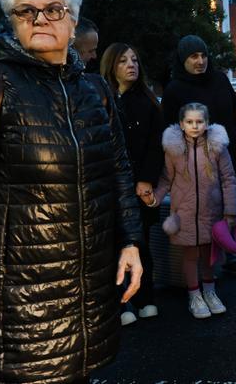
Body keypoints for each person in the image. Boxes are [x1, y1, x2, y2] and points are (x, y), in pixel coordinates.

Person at [0, 0, 143, 382]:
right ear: (11, 20)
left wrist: (131, 241)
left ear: (73, 20)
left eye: (53, 9)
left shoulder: (94, 90)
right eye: (26, 11)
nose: (40, 18)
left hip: (85, 298)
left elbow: (117, 171)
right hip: (15, 305)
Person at [162, 34, 236, 278]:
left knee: (228, 206)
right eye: (193, 57)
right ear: (183, 60)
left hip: (227, 153)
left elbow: (234, 113)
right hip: (196, 162)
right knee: (203, 210)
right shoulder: (175, 89)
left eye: (203, 55)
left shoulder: (220, 79)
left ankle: (229, 256)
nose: (200, 61)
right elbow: (170, 128)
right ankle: (202, 268)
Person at [149, 103, 236, 319]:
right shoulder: (174, 150)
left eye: (199, 121)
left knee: (209, 256)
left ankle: (209, 291)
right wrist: (155, 198)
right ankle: (194, 295)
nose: (195, 126)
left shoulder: (218, 147)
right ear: (181, 124)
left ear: (207, 123)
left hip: (212, 212)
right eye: (189, 122)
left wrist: (230, 211)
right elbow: (166, 178)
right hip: (184, 212)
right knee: (190, 255)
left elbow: (229, 179)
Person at [100, 42, 165, 325]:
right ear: (111, 66)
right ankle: (122, 303)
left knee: (141, 244)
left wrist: (146, 179)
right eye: (124, 61)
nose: (131, 65)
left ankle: (145, 298)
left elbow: (155, 145)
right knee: (114, 245)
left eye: (135, 60)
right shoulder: (101, 99)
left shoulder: (148, 102)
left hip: (139, 187)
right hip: (110, 188)